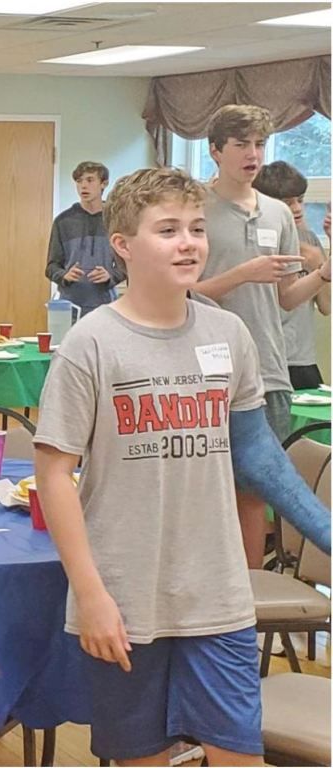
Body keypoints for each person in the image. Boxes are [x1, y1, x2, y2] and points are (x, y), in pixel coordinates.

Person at [34, 167, 330, 767]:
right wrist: (89, 596)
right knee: (141, 758)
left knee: (238, 755)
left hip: (217, 596)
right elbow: (53, 475)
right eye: (167, 230)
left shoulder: (230, 334)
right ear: (123, 245)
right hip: (124, 598)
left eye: (196, 228)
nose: (189, 242)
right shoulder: (91, 343)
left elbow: (256, 454)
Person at [194, 105, 331, 568]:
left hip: (268, 370)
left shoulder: (277, 213)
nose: (253, 155)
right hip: (205, 370)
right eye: (241, 145)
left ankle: (250, 592)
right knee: (204, 489)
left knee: (256, 492)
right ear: (216, 151)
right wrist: (242, 274)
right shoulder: (195, 208)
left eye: (259, 144)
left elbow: (287, 298)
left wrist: (324, 274)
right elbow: (181, 293)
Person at [252, 160, 330, 390]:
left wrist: (320, 262)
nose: (297, 209)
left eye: (300, 200)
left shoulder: (309, 239)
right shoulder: (254, 241)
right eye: (288, 203)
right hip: (265, 360)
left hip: (303, 361)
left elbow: (327, 306)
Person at [45, 161, 125, 317]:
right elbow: (51, 267)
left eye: (90, 180)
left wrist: (111, 276)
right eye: (79, 181)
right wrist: (64, 275)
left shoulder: (116, 221)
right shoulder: (63, 221)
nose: (83, 186)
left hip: (106, 306)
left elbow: (129, 264)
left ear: (104, 184)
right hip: (70, 307)